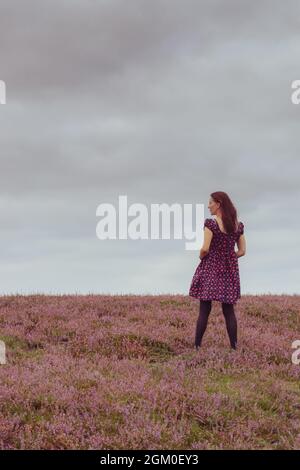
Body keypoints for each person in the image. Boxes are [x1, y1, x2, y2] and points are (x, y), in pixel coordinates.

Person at [189, 191, 246, 350]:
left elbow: (205, 248)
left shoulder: (211, 224)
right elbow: (242, 251)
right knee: (228, 310)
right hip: (229, 270)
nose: (208, 206)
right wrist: (228, 257)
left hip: (211, 268)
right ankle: (234, 348)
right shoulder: (237, 225)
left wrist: (201, 256)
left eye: (210, 203)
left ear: (219, 203)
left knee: (204, 308)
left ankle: (197, 347)